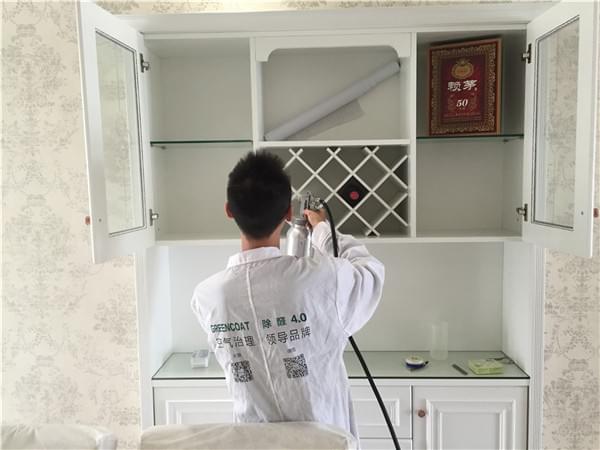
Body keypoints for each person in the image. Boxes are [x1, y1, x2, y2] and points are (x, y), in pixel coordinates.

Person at [191, 150, 384, 438]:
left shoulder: (207, 297)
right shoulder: (322, 279)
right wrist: (322, 231)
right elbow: (370, 271)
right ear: (288, 214)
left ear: (229, 210)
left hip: (255, 442)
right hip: (324, 441)